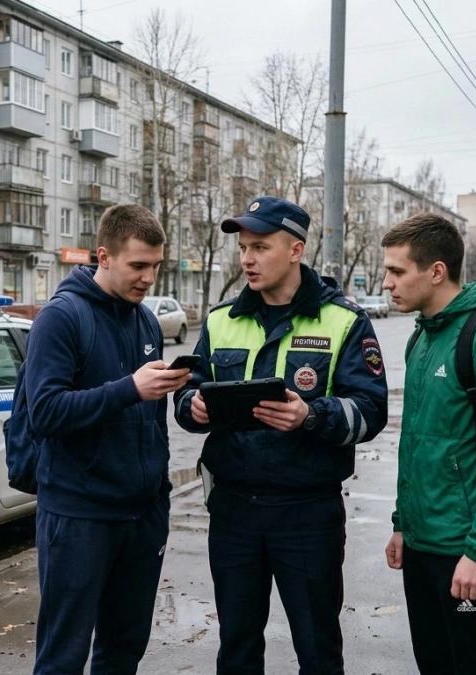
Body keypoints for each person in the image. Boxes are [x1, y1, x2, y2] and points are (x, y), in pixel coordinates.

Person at [175, 196, 389, 674]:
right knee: (237, 647)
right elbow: (186, 394)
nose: (247, 258)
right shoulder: (220, 320)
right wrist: (195, 407)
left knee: (317, 650)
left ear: (295, 250)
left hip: (307, 514)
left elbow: (371, 410)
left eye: (261, 247)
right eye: (244, 248)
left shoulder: (345, 321)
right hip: (233, 512)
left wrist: (310, 417)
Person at [24, 203, 192, 675]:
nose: (148, 278)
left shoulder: (145, 321)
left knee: (123, 650)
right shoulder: (62, 317)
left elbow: (148, 417)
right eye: (138, 265)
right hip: (80, 514)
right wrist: (129, 388)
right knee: (63, 656)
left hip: (141, 514)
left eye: (156, 267)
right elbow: (45, 412)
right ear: (104, 256)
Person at [380, 213, 476, 675]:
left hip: (467, 550)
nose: (387, 283)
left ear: (436, 271)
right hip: (422, 545)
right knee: (434, 663)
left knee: (475, 667)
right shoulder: (422, 339)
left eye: (396, 271)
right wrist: (401, 523)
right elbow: (418, 443)